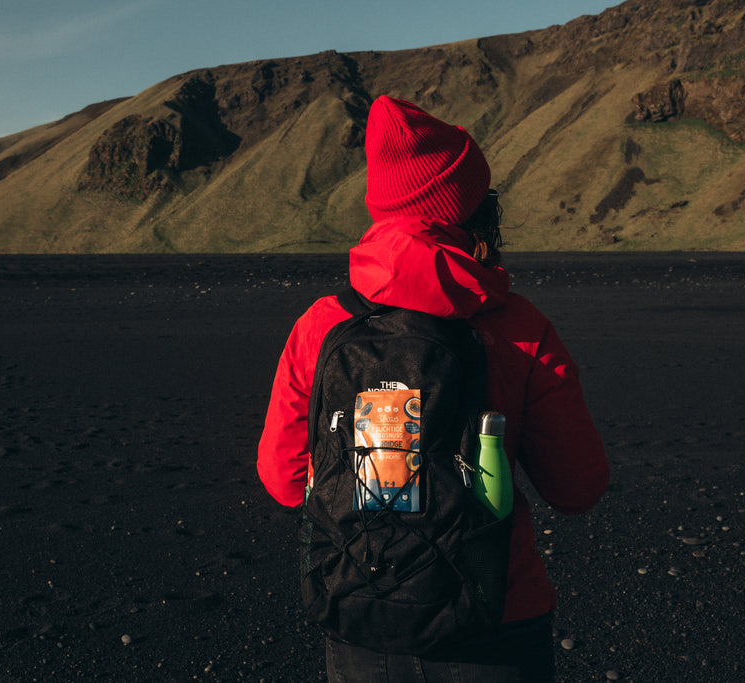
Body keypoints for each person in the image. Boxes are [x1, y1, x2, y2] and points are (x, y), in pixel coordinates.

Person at [257, 95, 610, 682]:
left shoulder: (321, 326)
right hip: (497, 617)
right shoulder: (520, 329)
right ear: (466, 212)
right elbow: (579, 487)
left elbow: (283, 478)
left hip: (360, 614)